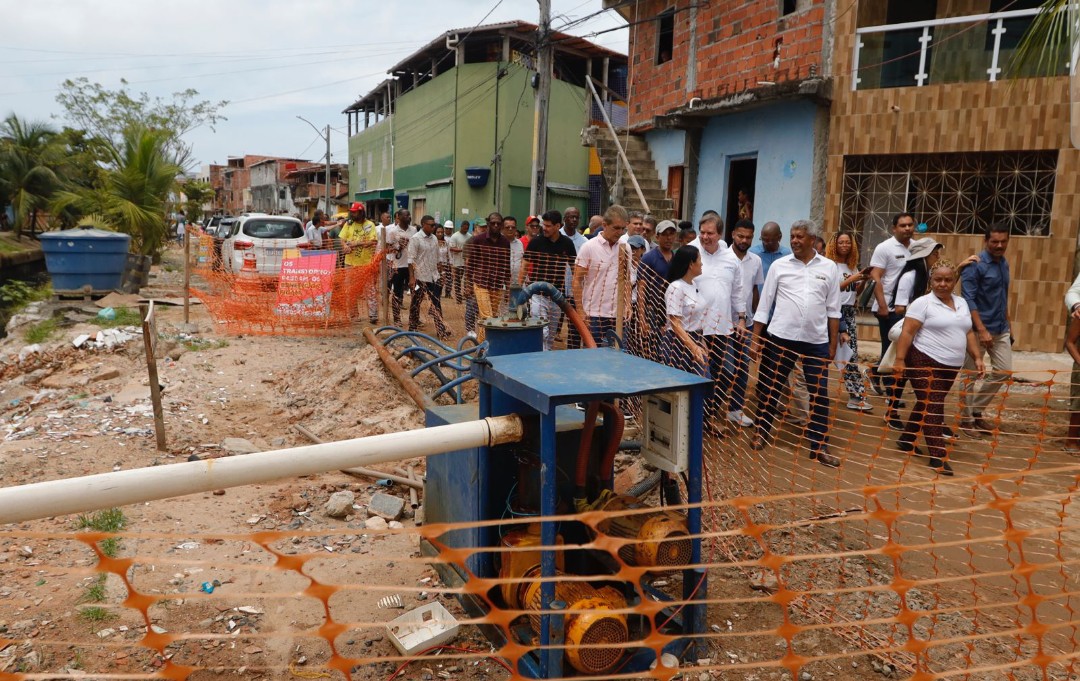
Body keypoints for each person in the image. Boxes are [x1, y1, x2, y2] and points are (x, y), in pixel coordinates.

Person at [751, 219, 842, 468]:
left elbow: (834, 310)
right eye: (792, 236)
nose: (794, 241)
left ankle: (819, 445)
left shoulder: (829, 268)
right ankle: (761, 431)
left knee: (820, 394)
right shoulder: (780, 266)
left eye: (800, 237)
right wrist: (756, 339)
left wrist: (832, 345)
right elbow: (764, 305)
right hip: (781, 338)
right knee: (770, 387)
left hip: (816, 341)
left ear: (813, 240)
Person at [892, 260, 985, 475]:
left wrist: (978, 357)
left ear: (954, 282)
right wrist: (900, 360)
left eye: (948, 280)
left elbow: (968, 332)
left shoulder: (962, 303)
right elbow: (907, 332)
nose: (943, 284)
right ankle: (937, 456)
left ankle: (907, 439)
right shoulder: (922, 303)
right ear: (931, 281)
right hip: (923, 359)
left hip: (951, 365)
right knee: (933, 405)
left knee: (929, 402)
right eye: (938, 280)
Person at [689, 216, 746, 432]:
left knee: (725, 373)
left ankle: (709, 414)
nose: (705, 237)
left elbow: (738, 292)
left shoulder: (731, 259)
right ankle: (696, 419)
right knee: (699, 374)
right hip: (695, 329)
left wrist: (741, 318)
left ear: (720, 234)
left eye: (710, 233)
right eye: (702, 232)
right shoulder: (691, 252)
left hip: (722, 329)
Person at [959, 223, 1013, 434]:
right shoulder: (976, 265)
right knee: (970, 376)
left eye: (1003, 241)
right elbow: (968, 299)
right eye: (994, 241)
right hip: (976, 330)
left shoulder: (1004, 263)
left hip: (1001, 328)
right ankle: (966, 420)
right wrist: (981, 329)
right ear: (986, 241)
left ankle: (975, 410)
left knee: (1003, 372)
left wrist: (1010, 325)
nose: (999, 245)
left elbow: (1003, 296)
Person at [868, 212, 916, 407]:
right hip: (887, 307)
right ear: (894, 228)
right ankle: (891, 394)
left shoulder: (916, 248)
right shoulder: (884, 248)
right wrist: (881, 305)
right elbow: (875, 276)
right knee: (890, 349)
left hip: (908, 308)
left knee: (898, 349)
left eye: (910, 225)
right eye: (902, 225)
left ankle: (874, 373)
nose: (907, 229)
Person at [825, 232, 872, 412]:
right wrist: (851, 280)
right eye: (841, 242)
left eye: (848, 243)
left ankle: (855, 394)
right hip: (835, 312)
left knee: (849, 354)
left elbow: (853, 294)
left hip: (850, 312)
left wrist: (861, 282)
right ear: (834, 245)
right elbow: (831, 291)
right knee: (846, 354)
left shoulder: (852, 267)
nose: (845, 245)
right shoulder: (831, 266)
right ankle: (856, 395)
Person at [573, 205, 629, 346]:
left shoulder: (625, 247)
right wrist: (580, 310)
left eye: (623, 228)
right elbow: (577, 280)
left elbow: (626, 279)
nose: (620, 232)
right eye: (616, 228)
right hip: (594, 314)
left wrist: (628, 305)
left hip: (618, 315)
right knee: (592, 358)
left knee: (618, 358)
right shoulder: (589, 247)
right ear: (604, 225)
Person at [726, 219, 763, 427]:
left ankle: (736, 409)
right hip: (723, 322)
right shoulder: (723, 257)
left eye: (748, 237)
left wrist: (757, 319)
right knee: (724, 367)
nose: (744, 240)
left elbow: (755, 291)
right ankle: (712, 407)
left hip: (746, 323)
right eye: (740, 236)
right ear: (732, 234)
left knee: (742, 367)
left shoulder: (755, 261)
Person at [523, 209, 577, 350]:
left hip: (557, 296)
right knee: (542, 332)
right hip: (538, 295)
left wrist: (575, 292)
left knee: (551, 334)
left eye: (548, 226)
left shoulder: (567, 244)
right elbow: (524, 266)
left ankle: (544, 359)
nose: (544, 228)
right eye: (544, 225)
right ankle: (539, 359)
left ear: (558, 226)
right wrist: (518, 289)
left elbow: (574, 269)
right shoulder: (536, 242)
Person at [465, 212, 511, 342]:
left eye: (498, 223)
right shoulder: (479, 240)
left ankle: (481, 344)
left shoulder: (505, 242)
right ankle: (484, 348)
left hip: (497, 285)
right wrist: (468, 284)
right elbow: (471, 263)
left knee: (493, 317)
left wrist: (507, 288)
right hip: (481, 284)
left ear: (501, 225)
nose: (495, 225)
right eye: (493, 223)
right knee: (487, 317)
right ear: (488, 223)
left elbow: (506, 266)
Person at [637, 220, 679, 360]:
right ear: (657, 237)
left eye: (671, 234)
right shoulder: (649, 258)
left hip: (672, 311)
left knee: (670, 351)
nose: (669, 238)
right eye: (665, 235)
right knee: (652, 351)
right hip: (652, 311)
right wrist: (642, 318)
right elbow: (641, 288)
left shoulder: (677, 259)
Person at [664, 245, 708, 376]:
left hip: (695, 339)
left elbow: (697, 319)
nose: (702, 264)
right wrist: (693, 346)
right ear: (691, 264)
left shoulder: (693, 285)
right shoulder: (676, 287)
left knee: (702, 382)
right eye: (699, 259)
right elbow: (675, 323)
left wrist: (701, 342)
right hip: (677, 344)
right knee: (682, 387)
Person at [407, 215, 450, 339]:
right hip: (419, 277)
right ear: (423, 224)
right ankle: (412, 327)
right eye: (431, 225)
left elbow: (438, 258)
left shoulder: (435, 239)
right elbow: (411, 260)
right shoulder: (416, 239)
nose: (433, 227)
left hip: (433, 276)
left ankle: (440, 330)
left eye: (434, 225)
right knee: (416, 302)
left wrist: (441, 274)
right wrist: (411, 277)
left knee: (436, 303)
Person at [340, 201, 379, 322]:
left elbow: (373, 242)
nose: (353, 214)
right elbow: (342, 238)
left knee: (370, 289)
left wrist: (357, 243)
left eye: (355, 212)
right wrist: (344, 246)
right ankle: (353, 315)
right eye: (352, 212)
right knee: (351, 290)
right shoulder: (348, 224)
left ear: (361, 212)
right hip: (350, 263)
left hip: (366, 263)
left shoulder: (370, 225)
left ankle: (373, 315)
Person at [385, 209, 416, 326]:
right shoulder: (392, 231)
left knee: (416, 291)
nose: (409, 217)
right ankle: (397, 318)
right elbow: (387, 249)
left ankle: (414, 318)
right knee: (398, 293)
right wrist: (398, 247)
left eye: (409, 214)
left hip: (411, 267)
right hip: (397, 266)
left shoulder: (414, 230)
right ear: (399, 217)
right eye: (406, 215)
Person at [750, 221, 792, 287]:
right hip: (759, 296)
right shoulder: (753, 253)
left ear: (779, 237)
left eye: (769, 240)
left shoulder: (786, 254)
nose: (765, 243)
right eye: (763, 239)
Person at [448, 220, 470, 303]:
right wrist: (463, 250)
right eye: (464, 228)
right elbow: (451, 248)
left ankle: (466, 295)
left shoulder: (469, 236)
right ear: (461, 227)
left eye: (467, 229)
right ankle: (458, 298)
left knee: (467, 280)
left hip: (467, 263)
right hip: (457, 263)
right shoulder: (455, 236)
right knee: (458, 281)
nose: (466, 230)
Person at [504, 216, 525, 288]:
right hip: (502, 286)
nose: (510, 229)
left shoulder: (520, 243)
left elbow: (522, 261)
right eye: (507, 227)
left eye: (513, 227)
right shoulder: (498, 243)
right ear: (502, 228)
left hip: (518, 285)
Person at [436, 223, 451, 298]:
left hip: (443, 268)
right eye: (438, 232)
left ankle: (435, 306)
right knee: (434, 288)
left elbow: (448, 256)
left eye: (442, 232)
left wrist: (447, 269)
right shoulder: (432, 243)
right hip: (434, 268)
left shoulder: (445, 243)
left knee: (440, 286)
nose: (440, 234)